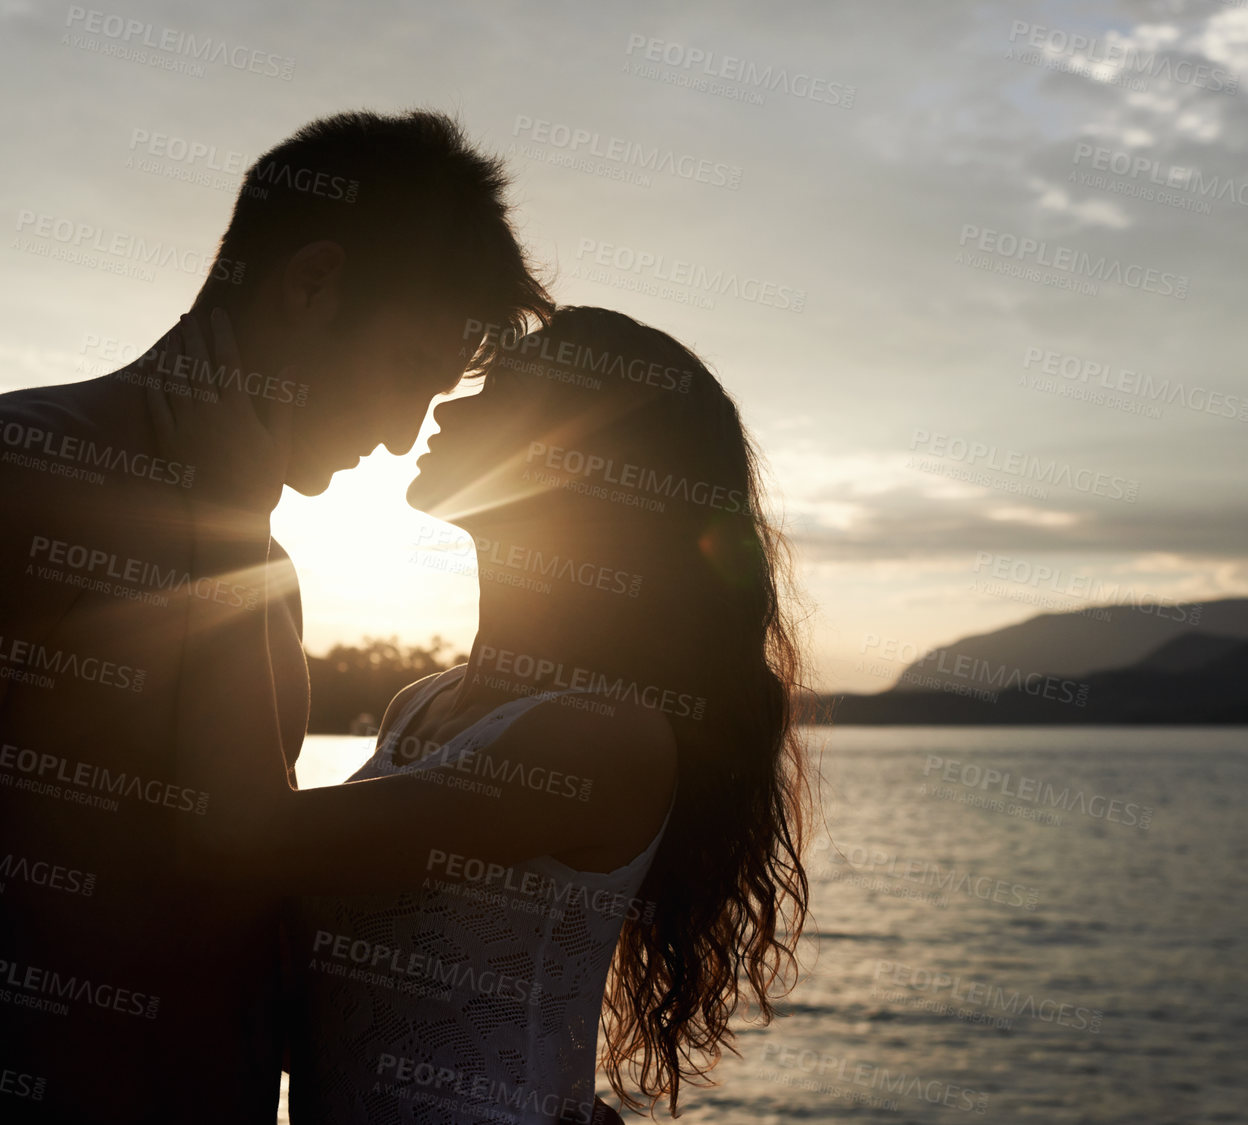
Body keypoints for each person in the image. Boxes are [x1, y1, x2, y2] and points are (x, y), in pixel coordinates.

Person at [0, 109, 552, 1123]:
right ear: (312, 284)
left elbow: (227, 920)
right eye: (405, 375)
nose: (397, 435)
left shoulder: (266, 570)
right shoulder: (11, 475)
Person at [147, 306, 816, 1121]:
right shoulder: (420, 705)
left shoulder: (600, 737)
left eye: (499, 394)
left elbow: (237, 838)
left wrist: (232, 511)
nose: (447, 408)